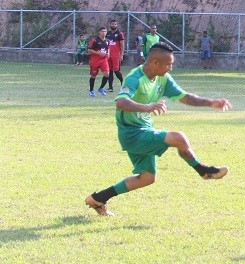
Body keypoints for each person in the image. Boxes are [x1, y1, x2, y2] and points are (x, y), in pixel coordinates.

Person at [85, 43, 231, 216]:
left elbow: (185, 97)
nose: (170, 68)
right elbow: (121, 102)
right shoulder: (135, 78)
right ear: (155, 62)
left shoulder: (163, 78)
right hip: (131, 133)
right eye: (168, 64)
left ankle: (97, 198)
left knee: (147, 178)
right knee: (179, 138)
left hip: (144, 129)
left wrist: (211, 102)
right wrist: (147, 107)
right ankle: (204, 171)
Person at [87, 27, 112, 97]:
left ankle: (101, 88)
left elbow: (108, 48)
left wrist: (108, 54)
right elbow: (89, 50)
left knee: (107, 74)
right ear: (99, 32)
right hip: (95, 60)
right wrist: (98, 53)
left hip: (103, 60)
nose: (104, 33)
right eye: (102, 31)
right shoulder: (95, 40)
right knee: (93, 75)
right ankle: (91, 90)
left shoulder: (107, 40)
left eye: (105, 31)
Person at [107, 19, 126, 92]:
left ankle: (123, 84)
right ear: (110, 25)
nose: (113, 25)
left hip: (116, 55)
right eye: (112, 24)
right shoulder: (107, 34)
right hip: (109, 55)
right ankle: (110, 87)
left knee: (116, 71)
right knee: (109, 71)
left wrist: (121, 55)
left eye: (115, 24)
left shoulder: (119, 34)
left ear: (117, 25)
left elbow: (122, 45)